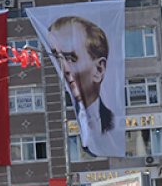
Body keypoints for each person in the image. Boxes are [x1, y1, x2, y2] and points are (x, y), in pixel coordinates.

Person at [46, 15, 124, 157]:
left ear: (99, 69)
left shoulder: (112, 121)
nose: (62, 68)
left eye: (70, 58)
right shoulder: (55, 119)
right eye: (57, 58)